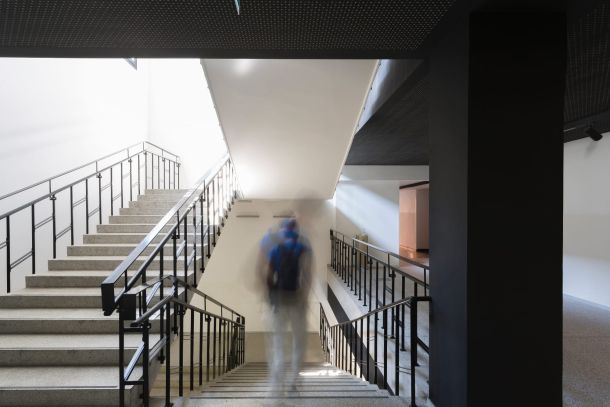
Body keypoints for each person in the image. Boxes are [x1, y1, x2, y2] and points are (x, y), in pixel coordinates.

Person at [257, 218, 312, 396]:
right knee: (299, 342)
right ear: (295, 228)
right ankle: (294, 381)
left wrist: (269, 295)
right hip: (296, 300)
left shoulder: (271, 241)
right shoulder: (303, 242)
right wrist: (304, 297)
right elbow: (307, 275)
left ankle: (277, 384)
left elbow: (267, 273)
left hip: (278, 301)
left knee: (278, 343)